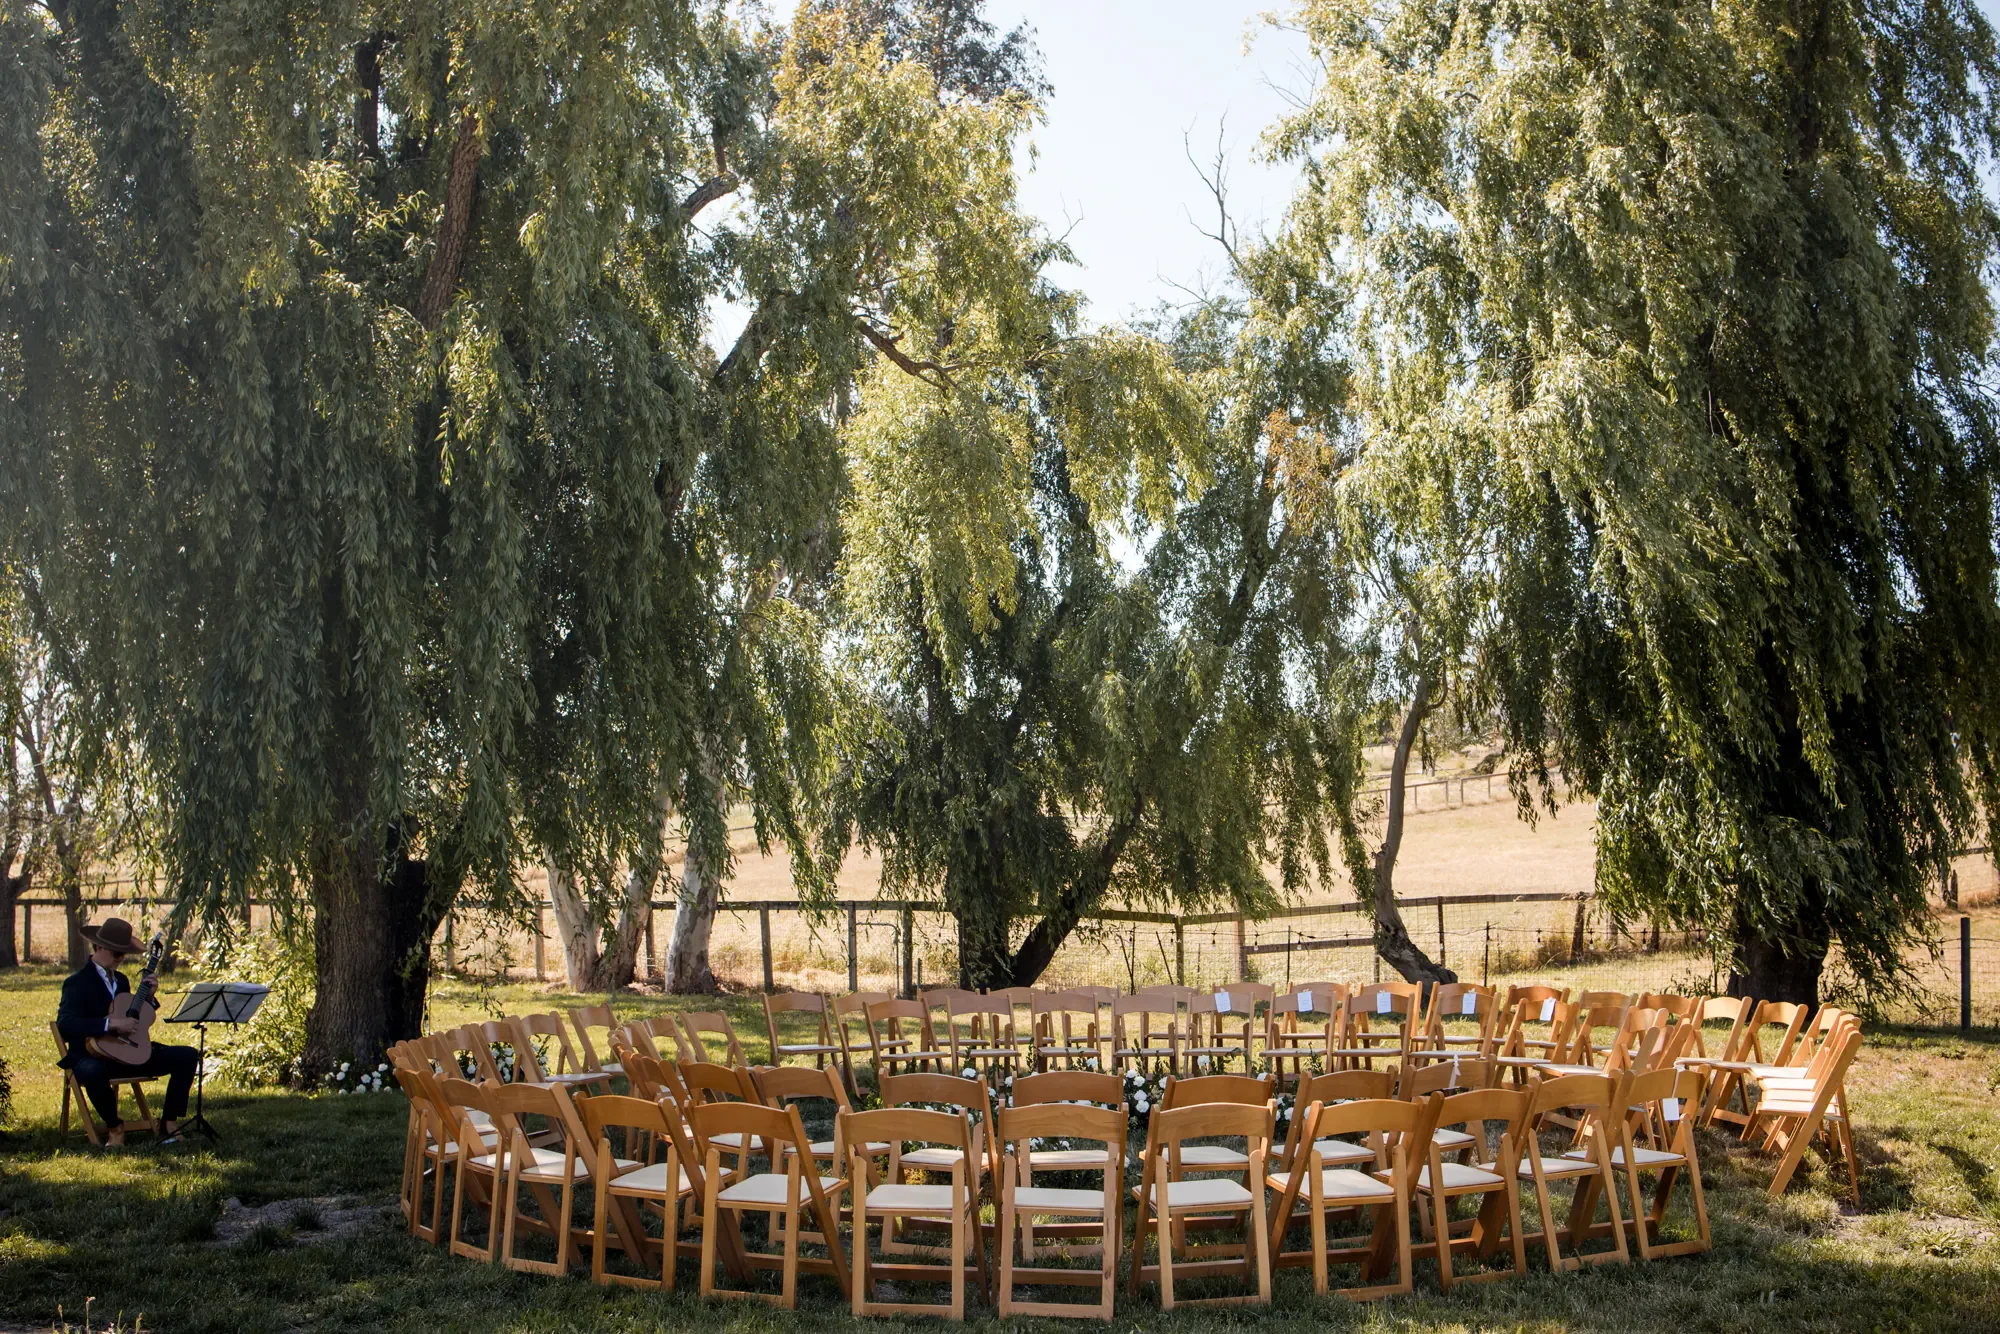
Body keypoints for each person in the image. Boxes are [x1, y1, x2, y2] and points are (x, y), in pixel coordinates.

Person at [56, 917, 199, 1146]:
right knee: (93, 1071)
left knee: (187, 1056)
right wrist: (109, 1025)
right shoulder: (76, 982)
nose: (120, 959)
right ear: (99, 947)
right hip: (90, 1055)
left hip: (127, 1052)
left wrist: (149, 998)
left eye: (123, 954)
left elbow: (133, 1016)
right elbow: (66, 1024)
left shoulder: (121, 981)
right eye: (116, 953)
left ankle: (169, 1123)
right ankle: (115, 1127)